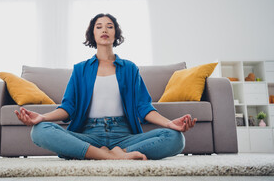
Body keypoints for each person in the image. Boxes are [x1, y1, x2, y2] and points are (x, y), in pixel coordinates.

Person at [15, 13, 197, 160]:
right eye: (99, 26)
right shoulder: (80, 69)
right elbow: (68, 108)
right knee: (40, 130)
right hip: (89, 134)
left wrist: (169, 123)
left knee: (175, 138)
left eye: (110, 26)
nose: (104, 29)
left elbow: (143, 108)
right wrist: (42, 117)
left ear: (115, 34)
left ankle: (106, 153)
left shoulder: (130, 68)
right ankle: (110, 156)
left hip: (124, 135)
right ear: (92, 34)